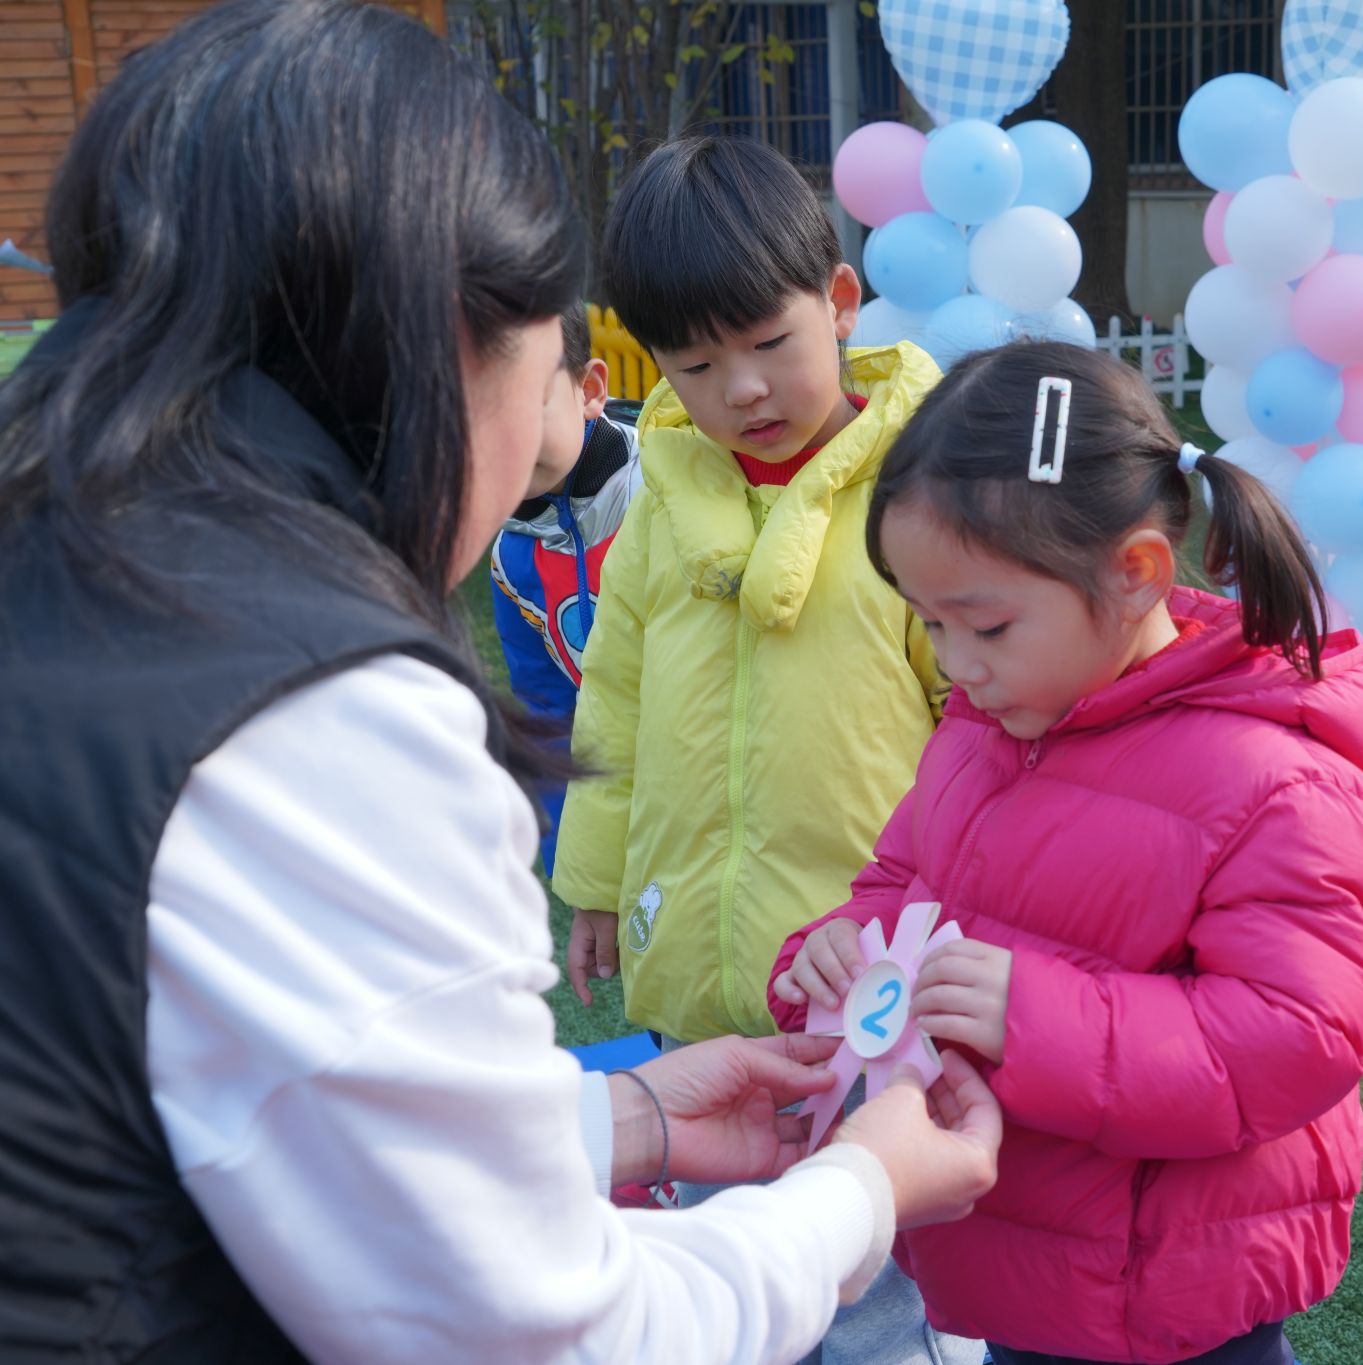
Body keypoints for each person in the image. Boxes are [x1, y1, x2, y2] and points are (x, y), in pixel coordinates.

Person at [0, 3, 998, 1361]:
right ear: (446, 345)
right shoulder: (321, 711)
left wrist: (616, 1118)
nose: (547, 439)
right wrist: (863, 1188)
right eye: (548, 381)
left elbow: (290, 1120)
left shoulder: (79, 578)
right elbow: (542, 1327)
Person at [769, 341, 1363, 1365]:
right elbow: (901, 881)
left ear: (1133, 575)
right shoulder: (989, 722)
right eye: (930, 625)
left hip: (1167, 1292)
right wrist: (838, 952)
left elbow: (1293, 1038)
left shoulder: (1275, 777)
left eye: (986, 626)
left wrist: (1031, 1016)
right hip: (1023, 1261)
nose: (955, 665)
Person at [549, 130, 971, 1365]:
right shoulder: (663, 502)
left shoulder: (927, 490)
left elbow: (978, 727)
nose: (741, 390)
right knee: (727, 1264)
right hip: (697, 968)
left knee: (881, 1285)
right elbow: (614, 700)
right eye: (694, 365)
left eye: (770, 343)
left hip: (872, 980)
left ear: (838, 301)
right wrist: (593, 881)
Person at [488, 300, 642, 873]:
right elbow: (549, 712)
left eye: (520, 402)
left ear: (589, 389)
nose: (499, 440)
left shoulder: (667, 495)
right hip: (625, 815)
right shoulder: (510, 557)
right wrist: (567, 855)